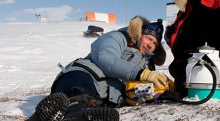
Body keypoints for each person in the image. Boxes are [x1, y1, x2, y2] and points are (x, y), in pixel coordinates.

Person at [27, 16, 168, 121]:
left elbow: (137, 89)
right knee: (79, 94)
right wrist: (140, 74)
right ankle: (76, 113)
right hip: (82, 74)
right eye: (149, 38)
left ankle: (48, 116)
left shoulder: (146, 65)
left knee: (91, 102)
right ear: (139, 35)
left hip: (100, 96)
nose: (150, 44)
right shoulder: (118, 38)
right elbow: (105, 57)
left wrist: (144, 93)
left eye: (155, 43)